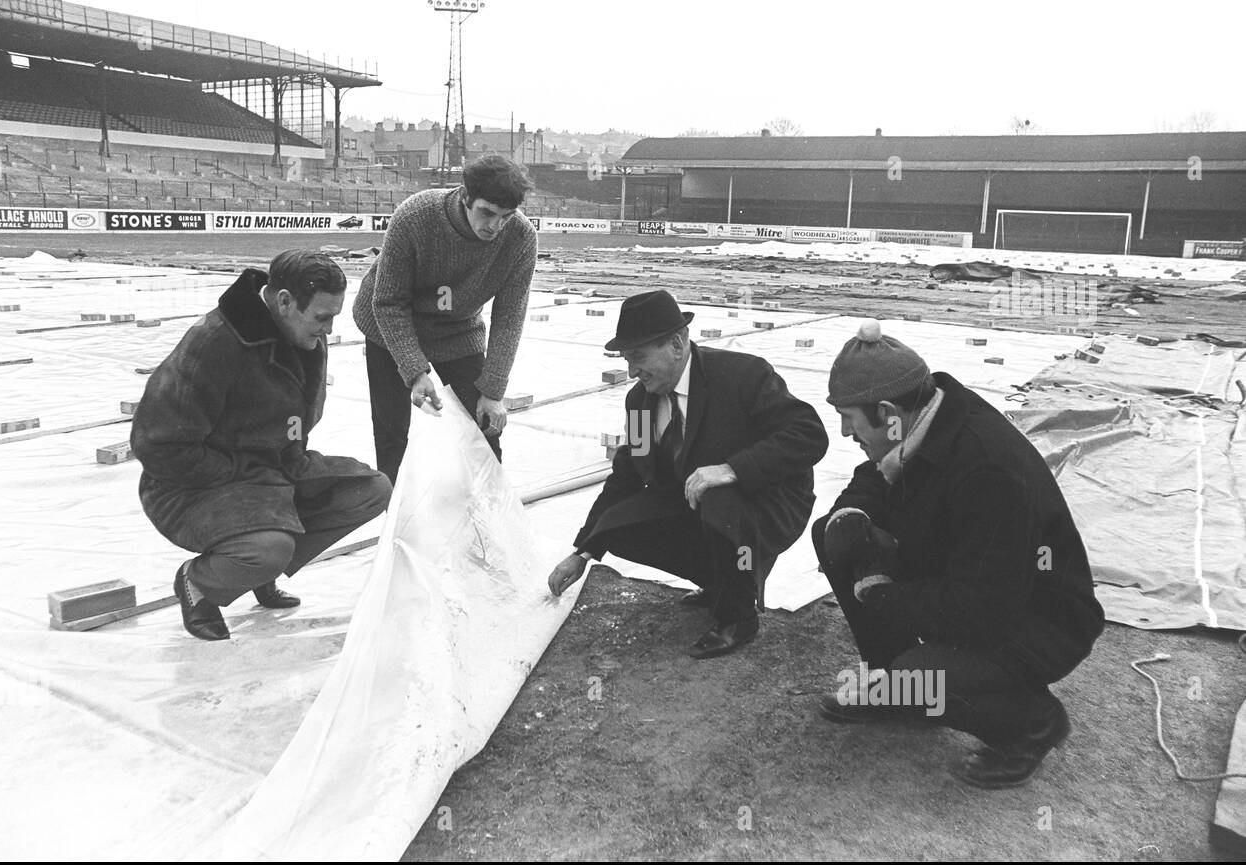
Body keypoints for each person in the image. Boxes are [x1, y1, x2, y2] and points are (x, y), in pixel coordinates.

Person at [810, 318, 1104, 787]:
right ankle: (896, 689)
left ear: (887, 412)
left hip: (1037, 617)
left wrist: (884, 595)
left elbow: (981, 609)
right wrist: (854, 516)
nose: (846, 432)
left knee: (921, 675)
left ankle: (1032, 723)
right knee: (834, 532)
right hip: (968, 578)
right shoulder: (922, 419)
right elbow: (873, 476)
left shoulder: (987, 469)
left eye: (849, 417)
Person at [548, 290, 829, 659]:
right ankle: (719, 583)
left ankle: (738, 616)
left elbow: (809, 436)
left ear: (678, 344)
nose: (633, 372)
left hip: (767, 501)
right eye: (627, 360)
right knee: (617, 524)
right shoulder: (639, 403)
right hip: (699, 501)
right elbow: (627, 475)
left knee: (716, 496)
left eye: (639, 358)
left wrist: (732, 470)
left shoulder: (743, 375)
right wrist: (583, 553)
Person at [131, 251, 392, 641]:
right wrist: (243, 473)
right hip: (190, 487)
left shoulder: (302, 337)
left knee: (371, 490)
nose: (329, 329)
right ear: (284, 301)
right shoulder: (213, 344)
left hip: (271, 470)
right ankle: (201, 584)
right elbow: (156, 445)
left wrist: (286, 469)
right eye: (322, 317)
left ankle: (262, 570)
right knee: (270, 547)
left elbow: (299, 422)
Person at [353, 153, 538, 483]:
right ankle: (399, 523)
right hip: (389, 325)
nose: (495, 226)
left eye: (506, 216)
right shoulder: (416, 216)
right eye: (487, 213)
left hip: (456, 327)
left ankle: (489, 519)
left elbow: (509, 316)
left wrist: (493, 391)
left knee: (485, 426)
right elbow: (388, 302)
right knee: (392, 433)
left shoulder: (520, 238)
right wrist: (414, 371)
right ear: (466, 196)